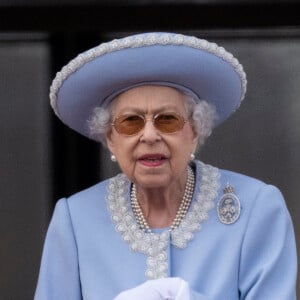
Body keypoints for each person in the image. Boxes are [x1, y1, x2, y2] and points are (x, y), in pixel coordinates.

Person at [34, 32, 297, 299]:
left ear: (196, 130)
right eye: (131, 122)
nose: (149, 135)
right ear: (110, 139)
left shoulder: (256, 209)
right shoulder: (75, 220)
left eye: (167, 119)